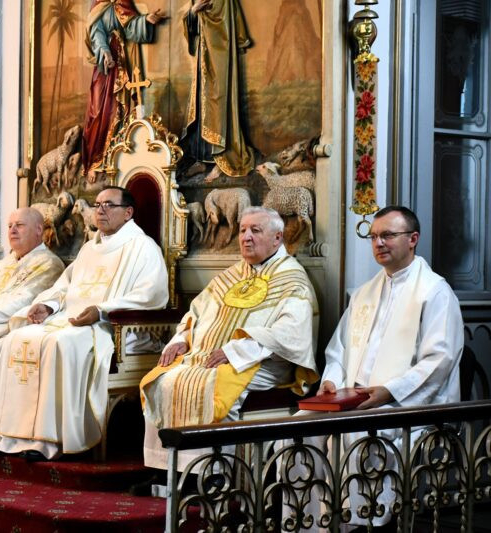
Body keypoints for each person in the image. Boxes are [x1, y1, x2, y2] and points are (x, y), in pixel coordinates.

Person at [286, 206, 463, 530]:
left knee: (357, 434)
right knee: (293, 432)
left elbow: (440, 360)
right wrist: (331, 383)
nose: (379, 243)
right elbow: (338, 351)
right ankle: (307, 523)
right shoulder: (364, 293)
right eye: (374, 237)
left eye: (388, 235)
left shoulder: (435, 292)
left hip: (404, 403)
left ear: (413, 239)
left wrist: (388, 391)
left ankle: (358, 524)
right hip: (352, 398)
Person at [0, 186, 169, 461]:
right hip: (69, 319)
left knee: (58, 344)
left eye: (109, 205)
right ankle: (11, 436)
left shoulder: (144, 248)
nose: (100, 210)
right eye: (98, 204)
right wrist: (49, 305)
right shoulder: (89, 249)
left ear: (128, 212)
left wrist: (101, 311)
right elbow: (64, 287)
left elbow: (150, 295)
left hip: (111, 327)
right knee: (17, 339)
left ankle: (50, 441)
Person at [141, 207, 318, 471]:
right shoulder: (233, 274)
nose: (246, 237)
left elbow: (290, 332)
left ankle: (212, 473)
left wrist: (235, 352)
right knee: (162, 379)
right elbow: (196, 312)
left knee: (211, 384)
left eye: (255, 230)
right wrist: (181, 338)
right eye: (242, 230)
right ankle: (163, 469)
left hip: (262, 362)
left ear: (277, 238)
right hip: (206, 356)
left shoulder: (292, 279)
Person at [0, 207, 65, 440]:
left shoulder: (49, 264)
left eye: (20, 225)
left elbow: (18, 305)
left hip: (12, 330)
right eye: (9, 226)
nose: (13, 230)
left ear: (39, 230)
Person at [82, 0, 166, 178]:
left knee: (118, 109)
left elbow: (130, 27)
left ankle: (115, 156)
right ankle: (95, 161)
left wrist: (145, 20)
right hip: (104, 64)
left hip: (120, 62)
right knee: (97, 110)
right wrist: (104, 52)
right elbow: (95, 31)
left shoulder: (122, 2)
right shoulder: (99, 4)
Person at [179, 0, 255, 178]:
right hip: (202, 57)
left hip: (218, 56)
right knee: (201, 106)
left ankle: (219, 160)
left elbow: (223, 24)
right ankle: (200, 160)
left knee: (217, 102)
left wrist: (202, 14)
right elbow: (194, 25)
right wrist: (193, 12)